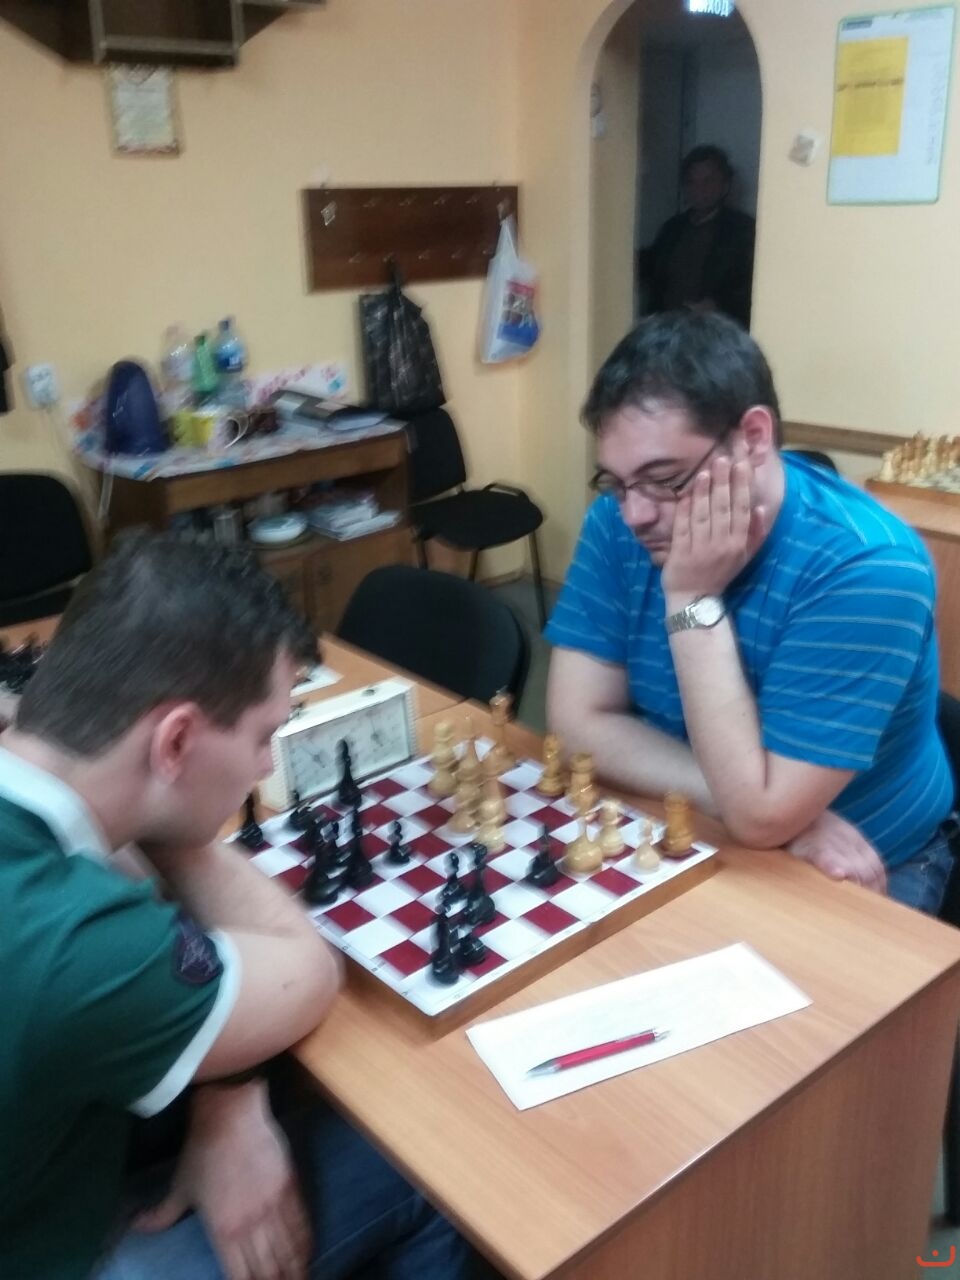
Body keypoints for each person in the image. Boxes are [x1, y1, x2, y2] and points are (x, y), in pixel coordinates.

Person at [0, 534, 472, 1280]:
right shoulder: (79, 940)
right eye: (263, 736)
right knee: (430, 1167)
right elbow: (304, 971)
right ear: (176, 740)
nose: (265, 765)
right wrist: (173, 825)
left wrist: (135, 800)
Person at [546, 311, 955, 915]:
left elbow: (761, 816)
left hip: (870, 859)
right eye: (616, 482)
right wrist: (753, 804)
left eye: (665, 478)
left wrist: (691, 601)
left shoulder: (869, 567)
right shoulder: (621, 518)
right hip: (712, 820)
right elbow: (576, 720)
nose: (634, 514)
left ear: (755, 438)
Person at [638, 144, 755, 328]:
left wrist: (719, 306)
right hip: (668, 329)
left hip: (717, 331)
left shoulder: (742, 229)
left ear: (725, 186)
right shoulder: (673, 228)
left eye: (708, 181)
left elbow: (752, 285)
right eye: (691, 182)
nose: (698, 188)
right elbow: (652, 268)